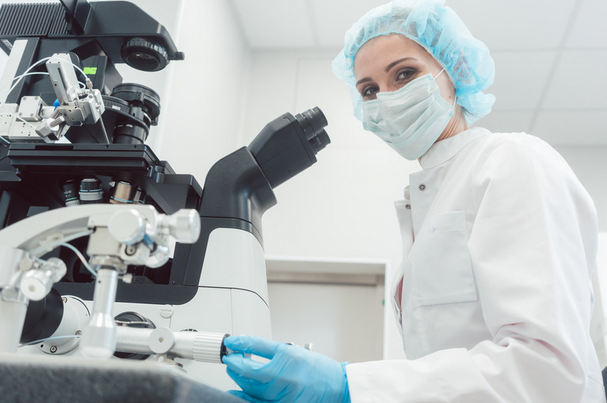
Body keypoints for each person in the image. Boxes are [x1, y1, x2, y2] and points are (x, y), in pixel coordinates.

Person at [222, 0, 606, 401]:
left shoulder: (512, 161)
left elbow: (548, 372)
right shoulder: (429, 201)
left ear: (454, 70)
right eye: (369, 90)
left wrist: (349, 386)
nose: (385, 99)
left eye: (404, 74)